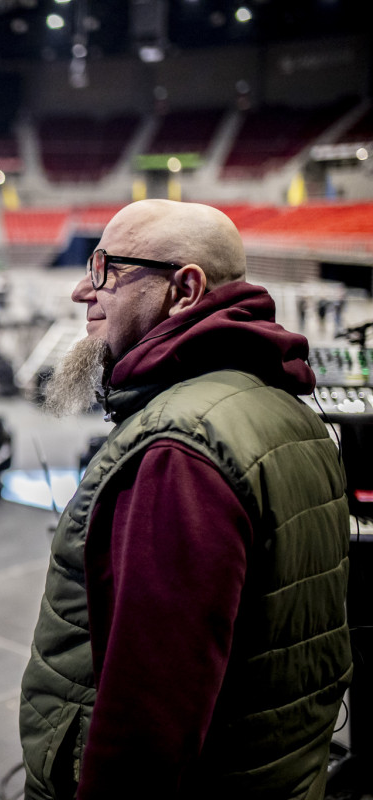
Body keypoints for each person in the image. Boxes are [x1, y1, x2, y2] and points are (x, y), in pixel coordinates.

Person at [20, 199, 351, 800]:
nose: (80, 292)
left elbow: (148, 723)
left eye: (105, 271)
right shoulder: (286, 413)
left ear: (183, 289)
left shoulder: (182, 448)